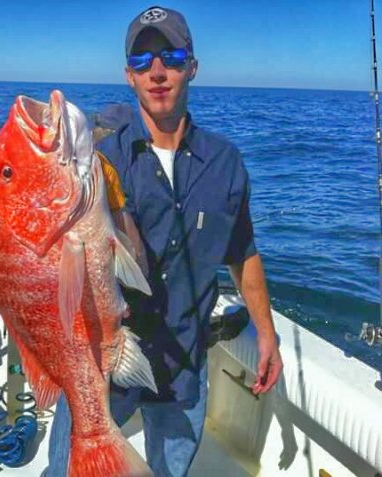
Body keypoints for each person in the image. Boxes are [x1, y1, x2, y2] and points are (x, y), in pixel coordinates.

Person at [45, 5, 283, 477]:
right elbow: (52, 241)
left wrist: (268, 333)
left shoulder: (225, 162)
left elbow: (243, 253)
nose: (157, 71)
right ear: (128, 76)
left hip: (184, 363)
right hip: (104, 362)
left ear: (192, 66)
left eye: (171, 57)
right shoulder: (97, 158)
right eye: (142, 61)